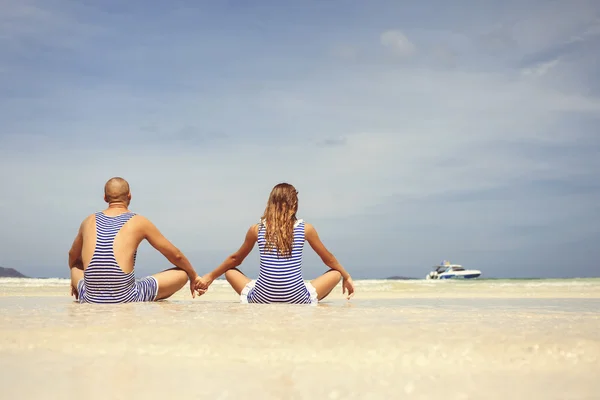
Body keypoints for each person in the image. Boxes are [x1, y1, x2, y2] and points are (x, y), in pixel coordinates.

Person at [199, 183, 355, 304]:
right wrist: (346, 276)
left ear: (270, 204)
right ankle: (308, 302)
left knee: (230, 271)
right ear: (294, 205)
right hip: (297, 299)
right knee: (335, 273)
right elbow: (328, 259)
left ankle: (271, 292)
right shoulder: (306, 229)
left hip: (261, 298)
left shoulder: (257, 229)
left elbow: (235, 259)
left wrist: (210, 277)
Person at [68, 177, 206, 303]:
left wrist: (76, 283)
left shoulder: (88, 221)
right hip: (126, 297)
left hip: (89, 297)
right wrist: (193, 275)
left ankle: (89, 289)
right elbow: (174, 254)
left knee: (75, 267)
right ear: (130, 196)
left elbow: (72, 256)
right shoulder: (138, 221)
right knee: (182, 274)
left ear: (105, 198)